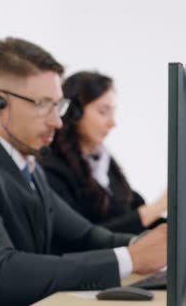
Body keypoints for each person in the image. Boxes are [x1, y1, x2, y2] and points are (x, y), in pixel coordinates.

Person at [0, 37, 167, 306]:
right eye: (43, 104)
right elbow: (2, 275)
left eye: (58, 105)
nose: (57, 121)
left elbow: (85, 236)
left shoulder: (24, 164)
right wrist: (131, 258)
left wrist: (151, 245)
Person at [39, 71, 167, 234]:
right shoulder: (51, 167)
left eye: (113, 111)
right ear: (75, 113)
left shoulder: (103, 161)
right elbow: (80, 237)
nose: (112, 122)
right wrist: (158, 207)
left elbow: (133, 207)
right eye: (103, 111)